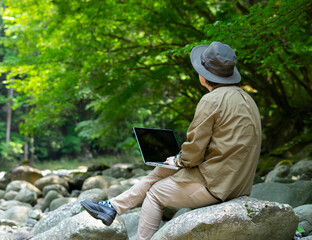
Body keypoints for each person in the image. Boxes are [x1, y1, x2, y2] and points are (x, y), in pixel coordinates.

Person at [81, 41, 262, 240]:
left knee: (155, 193)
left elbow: (194, 152)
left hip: (218, 185)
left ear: (204, 75)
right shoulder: (247, 98)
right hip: (238, 181)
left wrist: (178, 160)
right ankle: (113, 207)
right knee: (162, 169)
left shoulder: (211, 100)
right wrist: (176, 161)